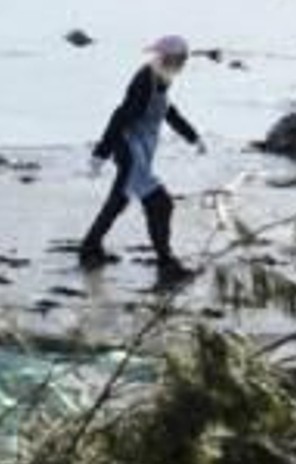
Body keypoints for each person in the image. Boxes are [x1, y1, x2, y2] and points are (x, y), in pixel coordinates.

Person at [80, 34, 205, 287]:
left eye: (184, 60)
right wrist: (100, 154)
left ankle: (89, 248)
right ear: (167, 58)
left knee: (119, 199)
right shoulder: (144, 81)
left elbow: (168, 111)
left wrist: (193, 137)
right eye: (180, 59)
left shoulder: (161, 78)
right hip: (128, 149)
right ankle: (167, 265)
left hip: (141, 149)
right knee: (161, 204)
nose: (183, 64)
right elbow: (120, 115)